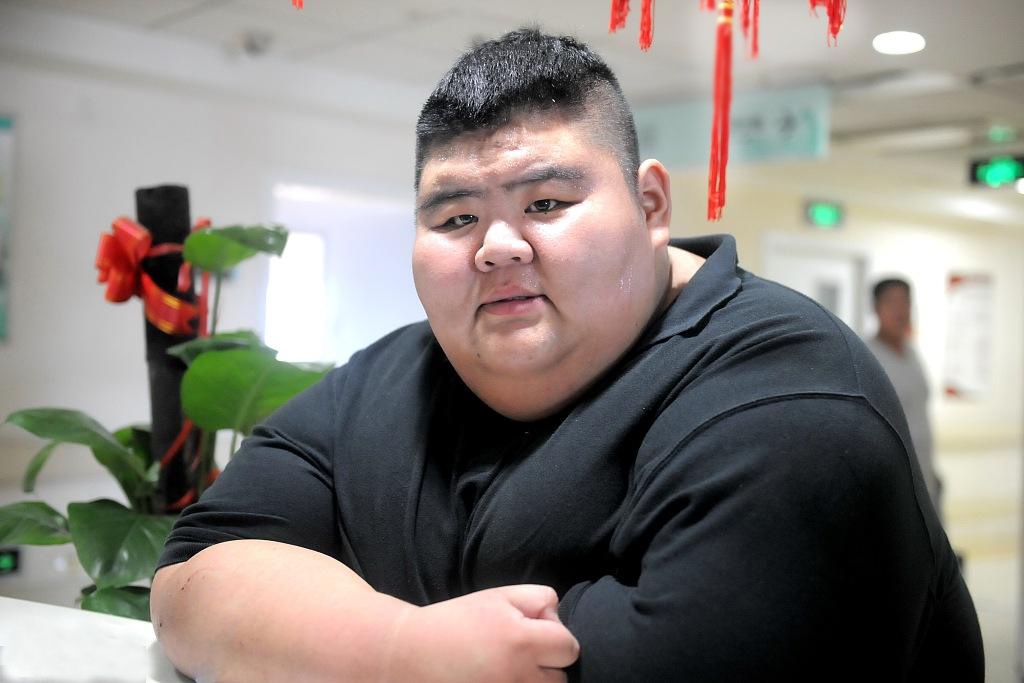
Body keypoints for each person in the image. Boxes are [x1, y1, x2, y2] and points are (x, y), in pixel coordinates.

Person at [151, 28, 983, 682]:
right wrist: (401, 646)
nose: (497, 246)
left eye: (546, 202)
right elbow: (191, 582)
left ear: (650, 204)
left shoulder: (791, 403)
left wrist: (308, 631)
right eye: (455, 218)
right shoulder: (387, 378)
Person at [865, 278, 942, 518]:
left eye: (905, 301)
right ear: (876, 308)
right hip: (892, 491)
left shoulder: (912, 354)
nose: (900, 310)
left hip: (926, 480)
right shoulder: (868, 358)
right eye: (891, 302)